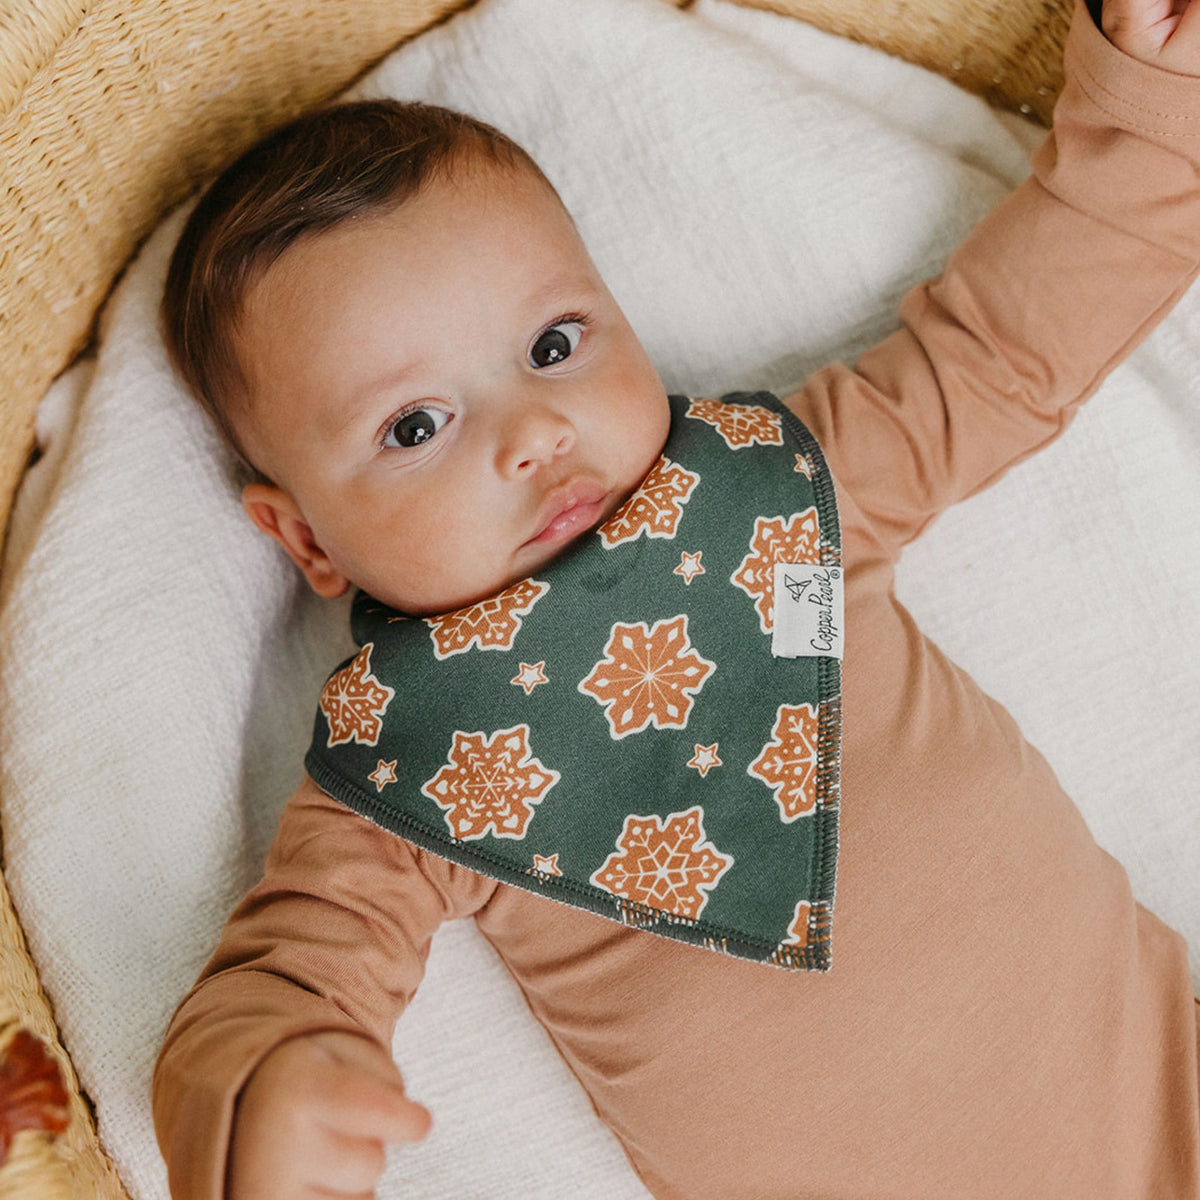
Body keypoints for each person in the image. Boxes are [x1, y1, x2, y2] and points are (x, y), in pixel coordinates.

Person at [152, 0, 1200, 1195]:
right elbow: (292, 970)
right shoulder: (409, 765)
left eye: (553, 344)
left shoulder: (781, 499)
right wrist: (271, 1080)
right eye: (416, 425)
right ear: (305, 539)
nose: (534, 432)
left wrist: (1153, 119)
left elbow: (1004, 351)